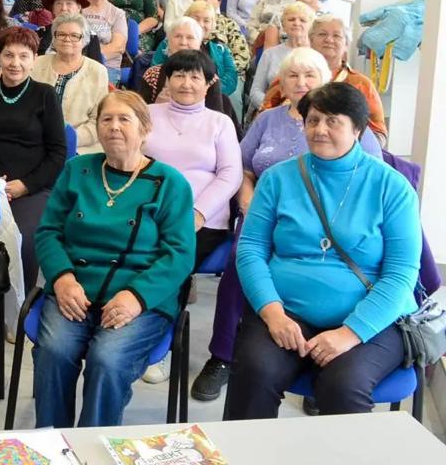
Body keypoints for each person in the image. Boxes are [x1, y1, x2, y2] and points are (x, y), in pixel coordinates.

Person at [190, 48, 384, 402]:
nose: (301, 82)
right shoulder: (268, 120)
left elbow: (368, 181)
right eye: (293, 75)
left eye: (310, 75)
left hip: (335, 232)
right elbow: (241, 166)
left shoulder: (354, 128)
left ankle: (318, 365)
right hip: (265, 213)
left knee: (342, 381)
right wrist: (247, 199)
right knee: (239, 262)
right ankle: (223, 355)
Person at [223, 82, 420, 419]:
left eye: (333, 121)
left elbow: (401, 273)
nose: (319, 130)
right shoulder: (277, 179)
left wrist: (350, 333)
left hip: (370, 318)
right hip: (286, 312)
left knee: (342, 386)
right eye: (313, 120)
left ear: (357, 129)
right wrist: (273, 314)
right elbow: (251, 249)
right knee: (255, 372)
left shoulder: (391, 186)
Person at [33, 91, 195, 429]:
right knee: (54, 351)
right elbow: (48, 231)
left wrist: (136, 297)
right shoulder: (77, 170)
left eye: (124, 119)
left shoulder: (170, 183)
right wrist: (62, 279)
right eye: (106, 119)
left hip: (139, 295)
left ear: (145, 128)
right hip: (75, 288)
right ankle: (52, 439)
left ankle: (93, 441)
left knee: (107, 359)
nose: (114, 127)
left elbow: (179, 254)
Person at [0, 26, 66, 288]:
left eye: (23, 56)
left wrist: (25, 186)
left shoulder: (45, 95)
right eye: (8, 55)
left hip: (30, 188)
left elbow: (58, 153)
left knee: (24, 239)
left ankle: (20, 302)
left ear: (34, 59)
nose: (15, 63)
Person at [144, 50, 242, 274]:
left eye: (195, 77)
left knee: (169, 267)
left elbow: (231, 174)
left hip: (203, 220)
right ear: (168, 80)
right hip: (147, 212)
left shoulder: (220, 122)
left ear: (207, 85)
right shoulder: (146, 115)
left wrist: (198, 213)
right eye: (179, 75)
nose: (186, 84)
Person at [260, 16, 388, 140]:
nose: (329, 40)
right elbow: (263, 119)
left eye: (336, 36)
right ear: (310, 40)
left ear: (346, 44)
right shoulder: (289, 76)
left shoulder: (360, 83)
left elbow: (378, 134)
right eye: (322, 34)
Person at [32, 13, 111, 155]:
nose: (67, 39)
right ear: (54, 38)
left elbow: (99, 119)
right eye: (61, 34)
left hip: (79, 147)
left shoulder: (98, 71)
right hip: (35, 141)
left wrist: (69, 138)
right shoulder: (36, 64)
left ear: (84, 40)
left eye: (74, 35)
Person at [150, 5, 238, 97]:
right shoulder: (155, 72)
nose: (183, 42)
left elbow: (231, 78)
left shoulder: (219, 50)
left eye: (190, 37)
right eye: (196, 19)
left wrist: (202, 92)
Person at [249, 1, 316, 111]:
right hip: (271, 111)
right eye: (291, 19)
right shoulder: (269, 54)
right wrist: (272, 109)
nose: (296, 23)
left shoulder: (317, 56)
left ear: (311, 26)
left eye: (302, 20)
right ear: (283, 26)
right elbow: (255, 91)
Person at [191, 0, 251, 76]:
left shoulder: (229, 24)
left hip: (226, 74)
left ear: (219, 2)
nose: (207, 0)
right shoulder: (186, 22)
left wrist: (222, 72)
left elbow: (243, 55)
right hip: (191, 73)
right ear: (194, 0)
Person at [36, 0, 104, 66]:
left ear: (79, 8)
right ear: (53, 8)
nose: (64, 8)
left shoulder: (90, 35)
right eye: (59, 3)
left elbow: (96, 67)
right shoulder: (41, 32)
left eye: (69, 3)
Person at [82, 0, 128, 82]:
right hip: (78, 64)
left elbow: (118, 46)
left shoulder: (118, 14)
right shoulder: (78, 10)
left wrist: (91, 59)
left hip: (107, 67)